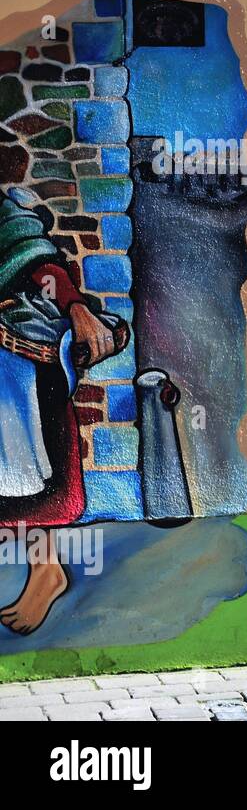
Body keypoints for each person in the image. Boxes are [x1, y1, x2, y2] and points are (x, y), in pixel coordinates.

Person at [0, 190, 118, 634]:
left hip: (13, 365)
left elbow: (39, 261)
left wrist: (78, 309)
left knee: (24, 472)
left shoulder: (4, 216)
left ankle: (45, 573)